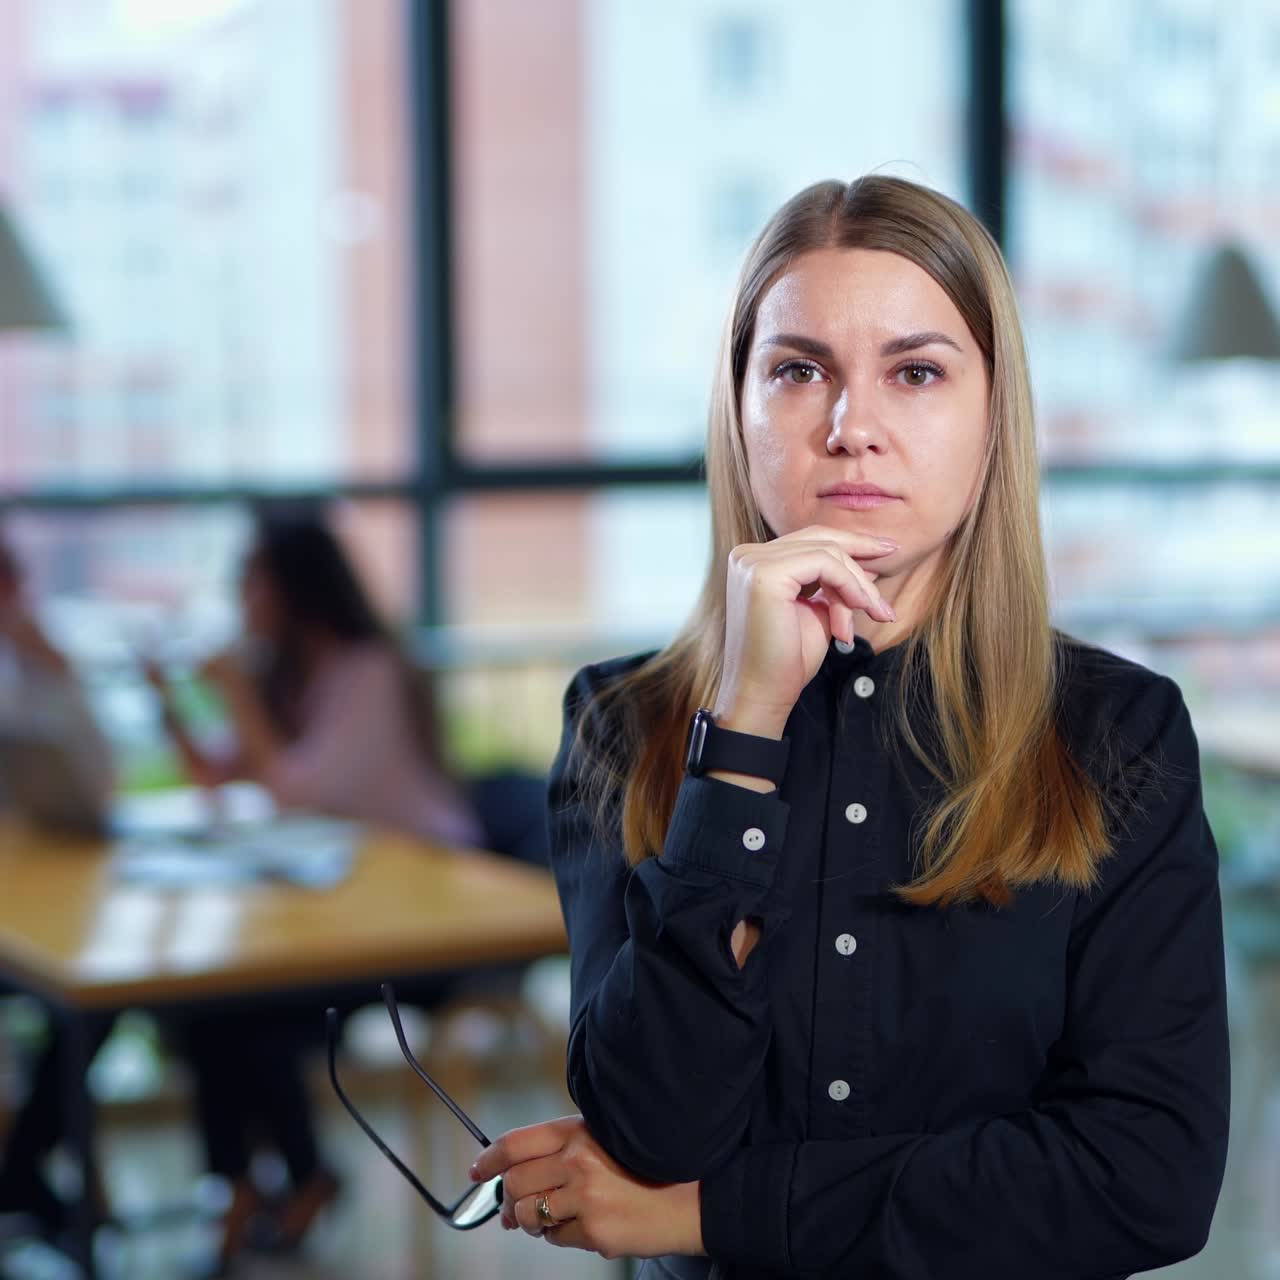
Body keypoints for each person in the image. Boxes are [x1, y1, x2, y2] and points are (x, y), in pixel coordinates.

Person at [468, 176, 1231, 1278]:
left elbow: (1144, 1178)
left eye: (914, 372)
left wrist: (706, 1213)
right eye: (795, 370)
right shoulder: (621, 723)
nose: (849, 429)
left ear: (990, 416)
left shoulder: (1117, 732)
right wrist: (739, 733)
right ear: (737, 409)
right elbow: (651, 1127)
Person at [147, 508, 485, 1271]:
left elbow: (295, 791)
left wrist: (233, 690)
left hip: (432, 923)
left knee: (238, 1008)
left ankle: (284, 1181)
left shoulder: (367, 672)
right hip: (349, 915)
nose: (240, 599)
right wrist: (170, 703)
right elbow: (220, 776)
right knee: (213, 1004)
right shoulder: (301, 677)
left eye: (250, 581)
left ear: (293, 589)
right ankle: (257, 1182)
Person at [0, 534, 115, 1240]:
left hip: (35, 901)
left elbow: (93, 786)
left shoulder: (34, 669)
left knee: (90, 999)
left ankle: (23, 1169)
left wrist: (56, 675)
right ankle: (24, 1171)